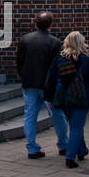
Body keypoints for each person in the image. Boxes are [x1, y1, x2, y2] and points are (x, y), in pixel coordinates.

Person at [44, 31, 89, 167]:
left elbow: (51, 79)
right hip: (82, 97)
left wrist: (50, 97)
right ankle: (70, 157)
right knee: (77, 127)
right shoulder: (88, 58)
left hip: (65, 99)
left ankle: (81, 150)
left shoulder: (60, 58)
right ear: (81, 42)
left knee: (75, 124)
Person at [16, 11, 68, 160]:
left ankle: (32, 148)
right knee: (57, 115)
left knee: (30, 115)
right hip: (48, 85)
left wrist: (24, 76)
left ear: (36, 23)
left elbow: (20, 62)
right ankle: (63, 145)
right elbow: (57, 66)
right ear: (51, 24)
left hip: (30, 82)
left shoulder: (25, 39)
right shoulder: (55, 42)